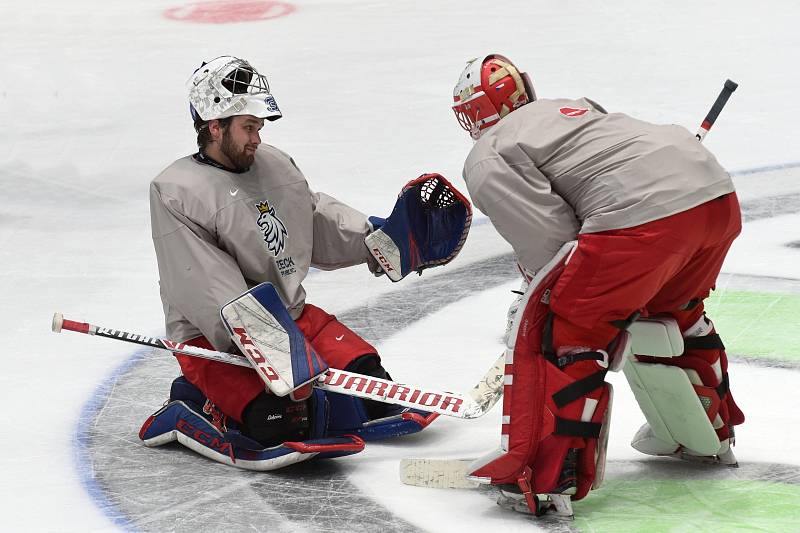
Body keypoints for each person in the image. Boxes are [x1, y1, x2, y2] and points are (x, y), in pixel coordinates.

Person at [450, 54, 744, 514]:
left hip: (643, 219)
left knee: (569, 333)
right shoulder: (572, 105)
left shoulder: (488, 152)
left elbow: (550, 238)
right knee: (673, 313)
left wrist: (540, 295)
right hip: (714, 195)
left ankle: (549, 475)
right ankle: (708, 431)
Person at [139, 56, 434, 470]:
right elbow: (202, 282)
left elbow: (311, 216)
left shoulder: (273, 163)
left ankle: (323, 404)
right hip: (216, 339)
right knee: (276, 422)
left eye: (259, 128)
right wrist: (269, 341)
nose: (257, 138)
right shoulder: (176, 191)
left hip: (294, 319)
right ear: (214, 125)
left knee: (376, 387)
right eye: (248, 127)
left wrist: (375, 238)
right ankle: (192, 402)